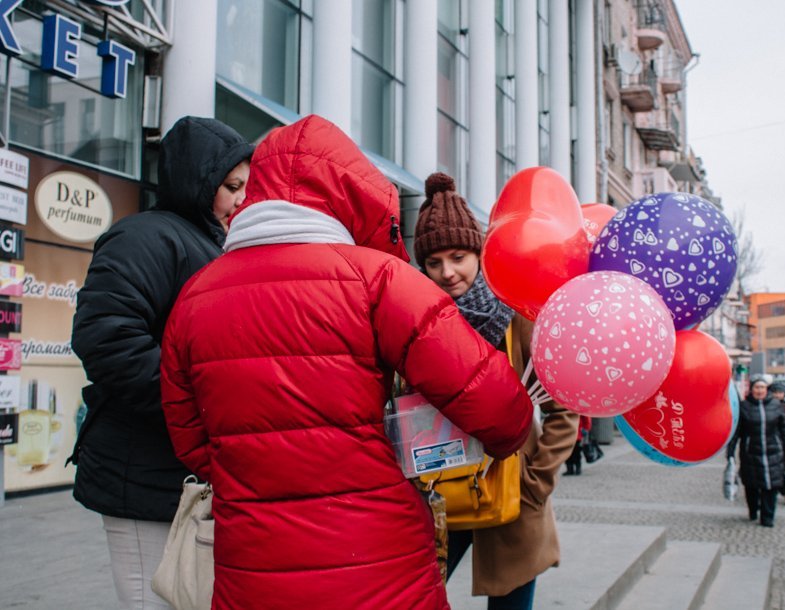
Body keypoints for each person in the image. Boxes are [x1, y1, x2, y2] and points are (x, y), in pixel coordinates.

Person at [159, 115, 533, 610]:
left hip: (252, 568)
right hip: (382, 568)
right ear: (349, 194)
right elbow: (501, 411)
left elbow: (190, 441)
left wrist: (260, 475)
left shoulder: (194, 297)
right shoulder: (380, 280)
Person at [69, 116, 254, 609]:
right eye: (231, 187)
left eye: (246, 187)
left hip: (181, 474)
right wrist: (195, 404)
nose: (242, 199)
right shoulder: (145, 237)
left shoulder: (213, 246)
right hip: (142, 474)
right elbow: (105, 339)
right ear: (198, 181)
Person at [413, 172, 578, 610]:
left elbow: (564, 409)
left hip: (514, 493)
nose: (448, 273)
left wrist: (535, 485)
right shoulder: (419, 321)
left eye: (458, 257)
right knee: (416, 595)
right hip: (441, 491)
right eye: (434, 262)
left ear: (479, 253)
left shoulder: (517, 310)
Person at [726, 377, 785, 527]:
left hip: (773, 453)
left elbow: (783, 431)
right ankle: (753, 509)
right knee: (751, 485)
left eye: (762, 387)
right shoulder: (744, 407)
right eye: (757, 387)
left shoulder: (776, 406)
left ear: (767, 389)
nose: (760, 390)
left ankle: (767, 517)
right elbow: (736, 432)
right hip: (751, 453)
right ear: (752, 389)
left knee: (771, 486)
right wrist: (730, 453)